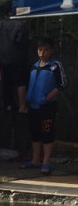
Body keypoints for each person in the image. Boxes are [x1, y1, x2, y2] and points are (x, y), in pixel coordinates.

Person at [20, 38, 68, 176]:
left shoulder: (55, 65)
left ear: (51, 50)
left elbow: (63, 83)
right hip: (33, 105)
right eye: (40, 50)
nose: (42, 53)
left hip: (47, 106)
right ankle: (35, 160)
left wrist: (48, 97)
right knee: (35, 133)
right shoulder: (33, 66)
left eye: (45, 50)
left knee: (47, 132)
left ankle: (46, 162)